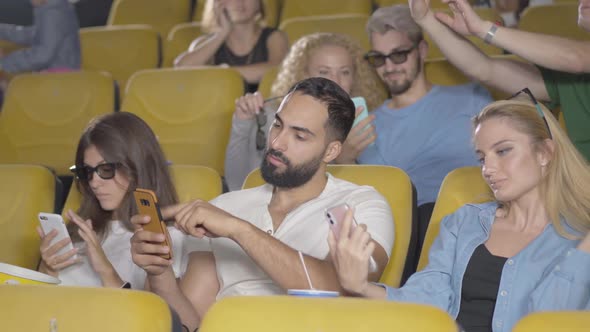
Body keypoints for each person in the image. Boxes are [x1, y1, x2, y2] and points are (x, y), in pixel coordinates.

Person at [131, 77, 394, 330]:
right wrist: (158, 272)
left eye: (299, 136)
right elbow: (185, 322)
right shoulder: (224, 206)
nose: (277, 143)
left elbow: (344, 288)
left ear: (331, 151)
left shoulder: (361, 204)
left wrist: (239, 230)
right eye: (277, 125)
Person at [330, 95, 590, 332]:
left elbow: (553, 321)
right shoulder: (464, 221)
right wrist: (361, 287)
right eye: (481, 157)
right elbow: (426, 298)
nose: (488, 168)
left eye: (503, 151)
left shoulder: (580, 236)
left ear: (545, 153)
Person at [341, 5, 492, 249]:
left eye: (399, 54)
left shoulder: (472, 97)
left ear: (422, 50)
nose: (389, 67)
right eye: (378, 58)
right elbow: (380, 201)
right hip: (416, 230)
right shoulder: (368, 127)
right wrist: (345, 160)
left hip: (483, 215)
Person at [408, 0, 590, 161]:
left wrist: (484, 28)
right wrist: (426, 20)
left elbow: (576, 58)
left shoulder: (577, 60)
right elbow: (484, 68)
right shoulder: (573, 75)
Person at [36, 112, 187, 289]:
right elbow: (38, 301)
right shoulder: (78, 229)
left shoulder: (166, 238)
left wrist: (106, 271)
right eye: (87, 172)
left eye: (106, 169)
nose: (93, 182)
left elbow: (154, 313)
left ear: (137, 168)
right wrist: (47, 270)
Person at [224, 32, 387, 191]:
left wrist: (346, 161)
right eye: (324, 72)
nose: (336, 81)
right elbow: (238, 184)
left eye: (345, 72)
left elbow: (369, 194)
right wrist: (242, 122)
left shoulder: (367, 122)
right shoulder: (276, 118)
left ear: (355, 77)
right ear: (303, 74)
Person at [174, 0, 288, 93]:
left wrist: (222, 73)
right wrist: (222, 33)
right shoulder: (206, 42)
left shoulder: (274, 37)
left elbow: (277, 69)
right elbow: (182, 69)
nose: (240, 2)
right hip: (217, 111)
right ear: (216, 4)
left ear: (259, 3)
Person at [0, 0, 80, 74]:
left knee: (17, 85)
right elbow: (33, 34)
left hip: (58, 77)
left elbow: (44, 54)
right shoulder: (53, 10)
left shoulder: (54, 13)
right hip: (57, 73)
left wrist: (5, 62)